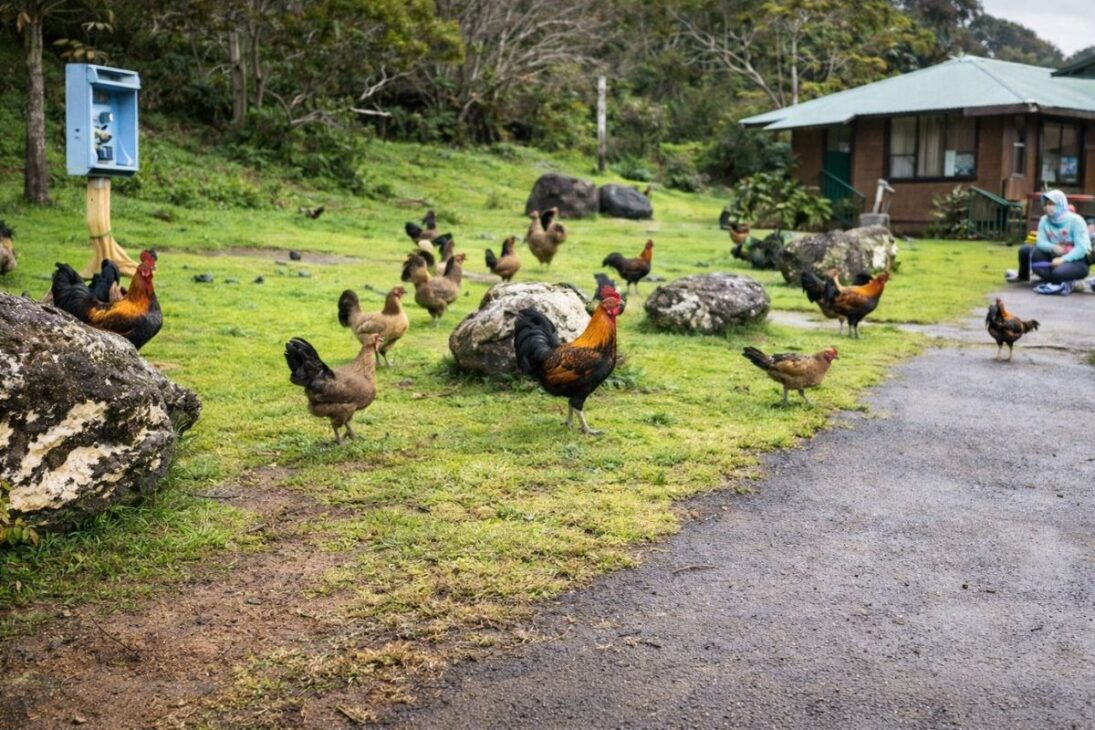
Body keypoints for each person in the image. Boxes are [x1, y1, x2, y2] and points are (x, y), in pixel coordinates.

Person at [1006, 189, 1091, 294]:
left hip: (1076, 261)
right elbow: (1040, 242)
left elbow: (1081, 248)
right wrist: (1054, 248)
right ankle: (1060, 281)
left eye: (1051, 204)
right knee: (1031, 252)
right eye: (1046, 204)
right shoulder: (1044, 220)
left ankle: (1068, 281)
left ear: (1061, 204)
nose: (1047, 207)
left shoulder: (1076, 221)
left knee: (1058, 273)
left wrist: (1063, 259)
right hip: (1052, 257)